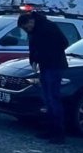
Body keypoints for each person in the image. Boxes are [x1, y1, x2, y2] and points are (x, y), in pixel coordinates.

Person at [18, 11, 70, 144]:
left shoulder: (48, 27)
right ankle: (50, 129)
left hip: (54, 65)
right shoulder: (34, 31)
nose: (27, 30)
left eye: (27, 28)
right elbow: (33, 48)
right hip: (45, 66)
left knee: (53, 98)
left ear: (30, 22)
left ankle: (59, 133)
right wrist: (34, 60)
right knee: (47, 99)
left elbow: (63, 43)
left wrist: (44, 55)